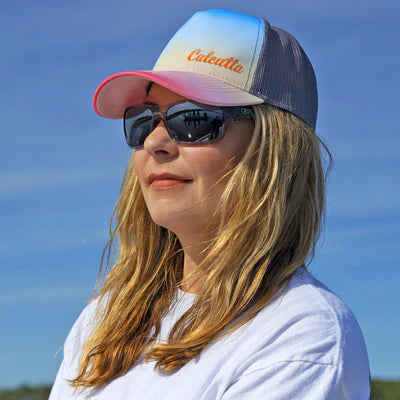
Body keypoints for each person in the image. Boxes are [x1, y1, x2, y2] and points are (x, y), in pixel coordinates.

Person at [49, 8, 371, 399]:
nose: (154, 141)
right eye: (143, 120)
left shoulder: (302, 334)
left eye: (194, 118)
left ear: (274, 146)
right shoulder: (105, 320)